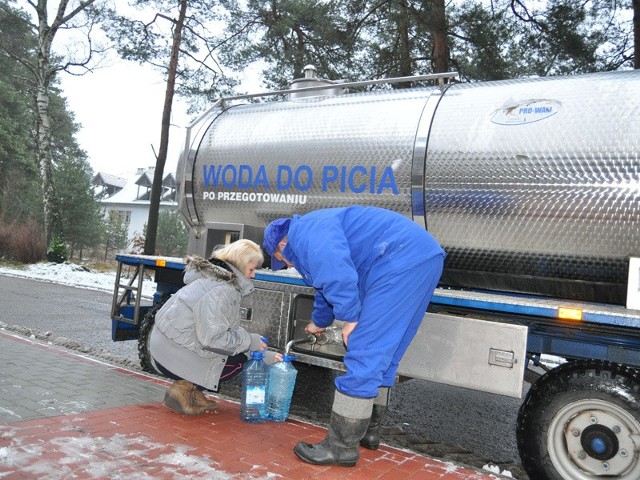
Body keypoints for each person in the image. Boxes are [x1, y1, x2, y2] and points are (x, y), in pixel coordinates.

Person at [263, 205, 445, 467]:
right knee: (385, 354)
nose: (287, 265)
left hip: (397, 260)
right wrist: (319, 322)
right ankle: (369, 432)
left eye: (281, 259)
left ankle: (341, 447)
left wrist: (350, 319)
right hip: (421, 257)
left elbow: (336, 273)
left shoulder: (305, 232)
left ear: (282, 243)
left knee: (364, 350)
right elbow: (325, 284)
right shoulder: (314, 232)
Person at [150, 239, 280, 415]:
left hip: (165, 345)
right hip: (171, 352)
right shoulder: (222, 290)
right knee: (237, 362)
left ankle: (193, 392)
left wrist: (263, 353)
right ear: (241, 265)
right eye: (252, 269)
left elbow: (226, 333)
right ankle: (183, 389)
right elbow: (213, 339)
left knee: (234, 351)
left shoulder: (215, 280)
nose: (254, 274)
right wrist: (250, 342)